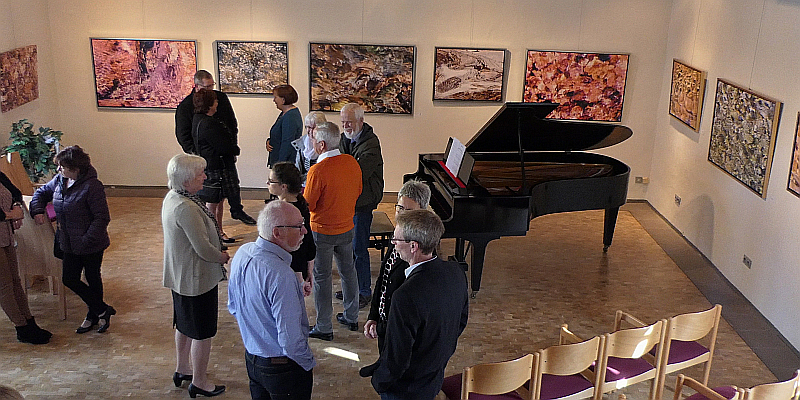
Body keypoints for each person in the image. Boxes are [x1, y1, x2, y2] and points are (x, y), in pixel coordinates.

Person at [370, 210, 469, 400]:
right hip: (434, 376)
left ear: (413, 246)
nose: (393, 244)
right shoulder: (455, 272)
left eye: (396, 240)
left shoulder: (405, 296)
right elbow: (460, 321)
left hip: (405, 388)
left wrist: (379, 381)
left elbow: (397, 358)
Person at [228, 201, 316, 400]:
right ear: (277, 233)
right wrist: (307, 361)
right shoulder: (281, 273)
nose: (304, 231)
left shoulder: (243, 253)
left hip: (253, 359)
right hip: (282, 368)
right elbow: (290, 340)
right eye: (298, 226)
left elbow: (234, 306)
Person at [162, 154, 229, 398]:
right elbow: (202, 249)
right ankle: (199, 381)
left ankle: (182, 368)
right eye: (201, 173)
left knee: (183, 323)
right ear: (188, 179)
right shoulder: (186, 208)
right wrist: (221, 257)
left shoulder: (174, 197)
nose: (205, 176)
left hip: (181, 277)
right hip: (196, 279)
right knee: (202, 332)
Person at [30, 145, 114, 335]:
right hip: (68, 242)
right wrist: (37, 211)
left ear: (76, 169)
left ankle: (93, 316)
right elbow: (41, 193)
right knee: (69, 278)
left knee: (92, 278)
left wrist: (86, 240)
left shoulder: (93, 186)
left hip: (90, 243)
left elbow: (102, 218)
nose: (59, 170)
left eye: (63, 167)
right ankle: (102, 310)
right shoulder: (60, 180)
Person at [359, 180, 431, 377]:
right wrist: (373, 315)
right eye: (399, 207)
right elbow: (383, 280)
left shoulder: (420, 250)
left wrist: (383, 327)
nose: (401, 214)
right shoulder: (398, 235)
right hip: (384, 324)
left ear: (421, 213)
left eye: (408, 210)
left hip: (397, 329)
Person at [175, 70, 256, 226]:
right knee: (212, 197)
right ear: (196, 86)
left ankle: (234, 212)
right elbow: (184, 136)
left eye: (212, 85)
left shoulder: (221, 99)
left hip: (223, 155)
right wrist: (199, 155)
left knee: (229, 189)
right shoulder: (186, 107)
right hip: (207, 160)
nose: (211, 89)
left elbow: (232, 124)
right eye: (207, 86)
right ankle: (216, 231)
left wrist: (231, 146)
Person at [304, 122, 362, 341]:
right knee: (349, 271)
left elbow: (308, 204)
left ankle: (324, 326)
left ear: (321, 145)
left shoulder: (317, 170)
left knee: (322, 277)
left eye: (313, 141)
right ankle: (351, 315)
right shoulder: (351, 162)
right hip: (347, 227)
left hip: (322, 232)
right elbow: (358, 191)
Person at [337, 103, 384, 309]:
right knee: (346, 246)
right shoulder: (344, 138)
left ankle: (364, 291)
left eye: (349, 122)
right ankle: (351, 287)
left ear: (361, 122)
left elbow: (357, 173)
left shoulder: (371, 143)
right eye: (343, 122)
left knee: (359, 247)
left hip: (364, 201)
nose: (346, 126)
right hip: (348, 200)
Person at [0, 172, 52, 344]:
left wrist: (16, 205)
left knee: (15, 281)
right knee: (4, 286)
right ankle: (21, 327)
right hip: (3, 230)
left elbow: (15, 192)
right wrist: (11, 215)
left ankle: (29, 322)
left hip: (5, 234)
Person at [192, 88, 240, 244]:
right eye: (215, 101)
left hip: (211, 165)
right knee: (212, 203)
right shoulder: (208, 123)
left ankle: (218, 232)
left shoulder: (199, 119)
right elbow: (224, 147)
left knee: (217, 202)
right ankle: (213, 236)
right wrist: (235, 149)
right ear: (209, 104)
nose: (217, 103)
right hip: (215, 167)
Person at [266, 162, 315, 296]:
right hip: (299, 270)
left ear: (283, 187)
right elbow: (310, 244)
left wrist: (300, 276)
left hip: (287, 272)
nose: (267, 183)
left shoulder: (281, 213)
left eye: (271, 181)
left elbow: (294, 250)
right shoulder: (302, 206)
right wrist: (309, 271)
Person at [267, 84, 303, 168]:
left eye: (275, 97)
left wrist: (279, 166)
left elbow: (287, 143)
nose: (274, 100)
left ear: (283, 100)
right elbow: (279, 133)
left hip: (285, 166)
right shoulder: (284, 114)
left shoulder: (290, 116)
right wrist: (269, 141)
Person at [291, 111, 326, 185]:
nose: (310, 131)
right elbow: (298, 170)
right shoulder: (301, 144)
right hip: (304, 185)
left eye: (313, 128)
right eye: (307, 127)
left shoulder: (327, 144)